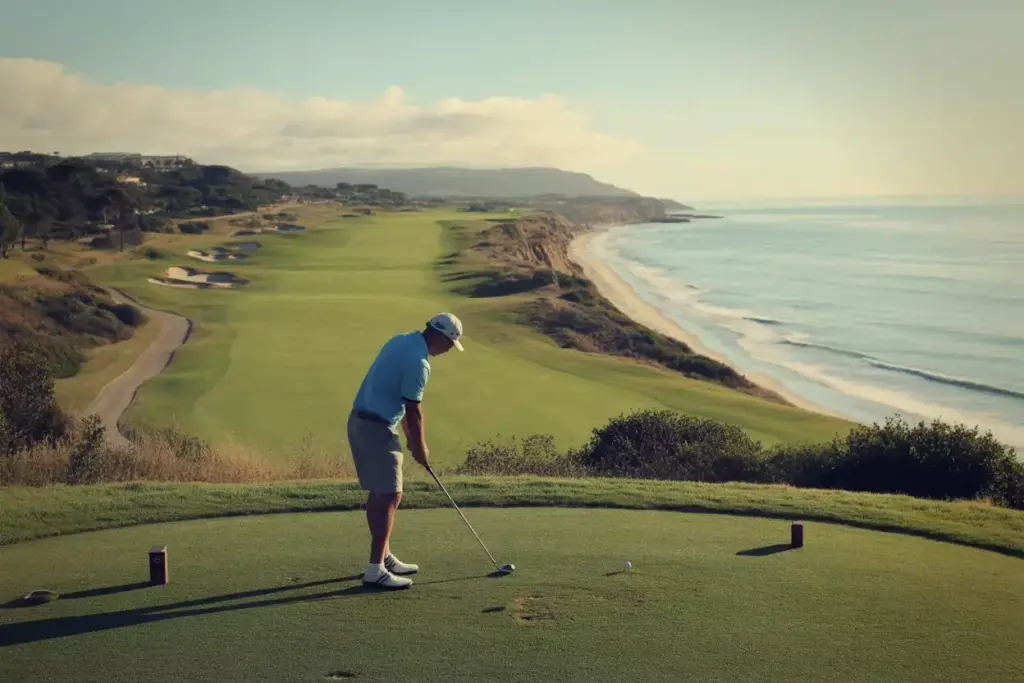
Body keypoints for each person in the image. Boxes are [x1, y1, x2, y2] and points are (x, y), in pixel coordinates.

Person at [347, 312, 464, 590]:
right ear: (440, 336)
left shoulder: (401, 340)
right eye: (450, 343)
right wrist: (421, 448)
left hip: (362, 421)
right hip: (377, 427)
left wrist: (411, 442)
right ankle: (375, 569)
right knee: (390, 494)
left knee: (382, 493)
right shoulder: (419, 363)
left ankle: (384, 557)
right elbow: (413, 411)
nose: (448, 350)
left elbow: (403, 404)